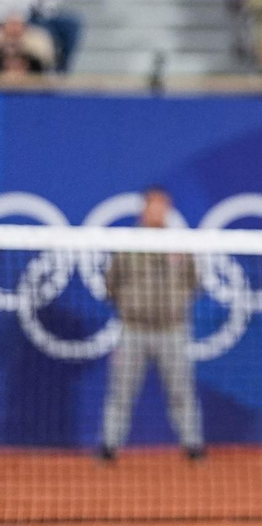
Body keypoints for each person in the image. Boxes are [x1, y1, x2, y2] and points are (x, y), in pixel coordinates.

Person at [98, 186, 205, 463]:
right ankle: (109, 447)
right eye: (153, 205)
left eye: (163, 206)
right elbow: (111, 283)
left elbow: (195, 282)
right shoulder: (128, 245)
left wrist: (175, 303)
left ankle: (193, 447)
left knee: (181, 390)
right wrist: (131, 304)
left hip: (172, 330)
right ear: (144, 208)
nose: (158, 211)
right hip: (133, 330)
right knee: (121, 391)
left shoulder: (180, 245)